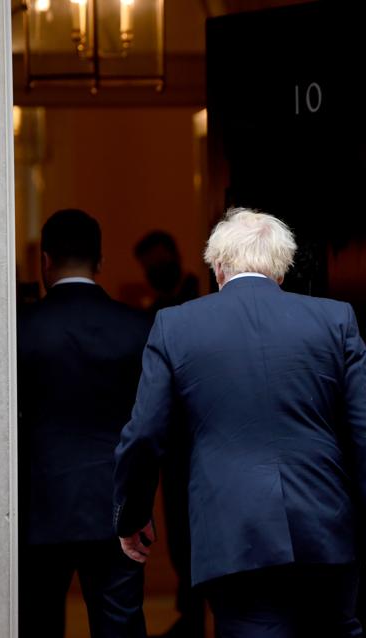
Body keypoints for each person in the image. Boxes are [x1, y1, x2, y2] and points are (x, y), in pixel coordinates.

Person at [113, 209, 366, 637]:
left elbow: (143, 436)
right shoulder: (335, 320)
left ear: (217, 267)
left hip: (234, 536)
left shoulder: (175, 325)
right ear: (281, 271)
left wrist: (131, 515)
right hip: (325, 530)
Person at [18, 209, 152, 638]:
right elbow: (150, 425)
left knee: (37, 623)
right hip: (115, 505)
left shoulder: (19, 328)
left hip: (37, 506)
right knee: (120, 626)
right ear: (100, 262)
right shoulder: (137, 327)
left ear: (46, 260)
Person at [132, 231, 204, 638]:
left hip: (198, 435)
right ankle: (190, 610)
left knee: (195, 529)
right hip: (174, 444)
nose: (153, 271)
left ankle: (196, 612)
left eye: (157, 262)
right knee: (178, 529)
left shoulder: (198, 296)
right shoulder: (155, 307)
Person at [134, 231, 200, 315]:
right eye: (150, 267)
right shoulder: (157, 308)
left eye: (160, 262)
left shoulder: (201, 291)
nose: (156, 271)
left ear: (176, 256)